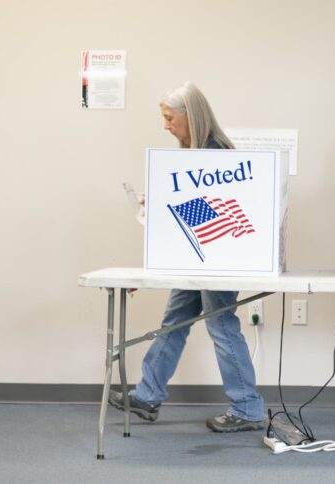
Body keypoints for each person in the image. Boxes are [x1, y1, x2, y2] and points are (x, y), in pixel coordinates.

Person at [109, 82, 265, 433]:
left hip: (217, 261)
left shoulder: (218, 154)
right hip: (195, 258)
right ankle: (148, 396)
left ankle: (248, 408)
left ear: (190, 116)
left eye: (169, 118)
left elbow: (217, 211)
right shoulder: (196, 153)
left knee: (222, 328)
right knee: (175, 321)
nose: (165, 125)